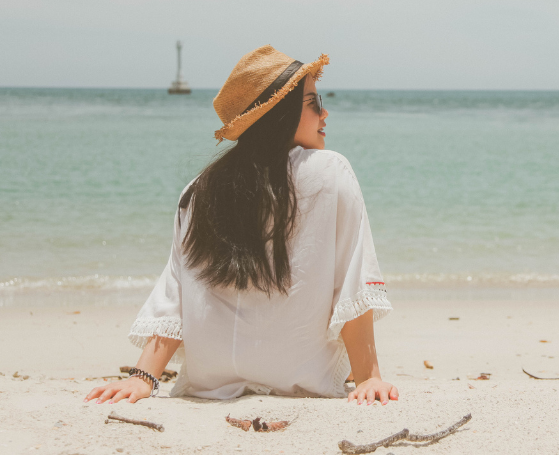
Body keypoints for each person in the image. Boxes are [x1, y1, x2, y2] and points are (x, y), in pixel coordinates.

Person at [84, 45, 398, 405]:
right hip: (298, 376)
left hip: (210, 380)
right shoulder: (330, 170)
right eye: (313, 101)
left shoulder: (199, 190)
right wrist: (368, 378)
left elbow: (176, 289)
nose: (325, 112)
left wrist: (143, 379)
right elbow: (352, 276)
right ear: (281, 114)